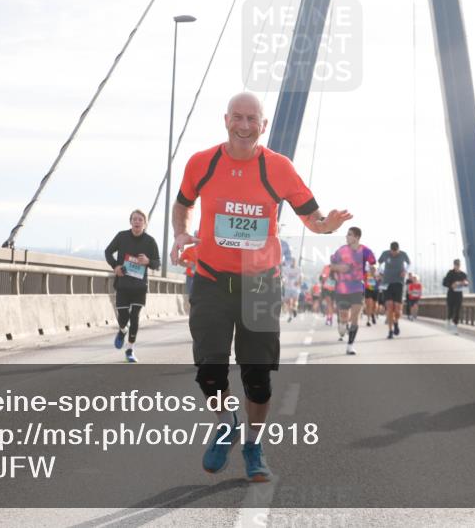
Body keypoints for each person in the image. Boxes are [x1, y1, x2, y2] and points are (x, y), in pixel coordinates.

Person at [171, 92, 350, 482]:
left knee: (257, 379)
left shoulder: (279, 168)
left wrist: (328, 224)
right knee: (209, 371)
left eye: (253, 118)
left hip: (260, 286)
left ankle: (253, 444)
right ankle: (226, 422)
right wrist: (181, 233)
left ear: (263, 125)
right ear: (226, 119)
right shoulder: (201, 163)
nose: (245, 125)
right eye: (238, 117)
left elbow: (311, 215)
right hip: (211, 280)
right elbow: (182, 202)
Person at [104, 209, 161, 363]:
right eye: (134, 219)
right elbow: (108, 252)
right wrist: (115, 266)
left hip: (139, 287)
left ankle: (129, 350)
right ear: (131, 222)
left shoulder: (150, 241)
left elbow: (157, 263)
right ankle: (122, 330)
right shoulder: (122, 236)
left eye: (140, 219)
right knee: (123, 317)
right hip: (123, 284)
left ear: (145, 223)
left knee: (134, 318)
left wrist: (148, 261)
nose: (137, 222)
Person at [329, 227, 376, 355]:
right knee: (344, 317)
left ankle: (350, 345)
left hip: (357, 288)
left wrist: (373, 270)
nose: (346, 237)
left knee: (355, 317)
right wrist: (341, 267)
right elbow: (332, 265)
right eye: (347, 234)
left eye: (349, 235)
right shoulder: (341, 250)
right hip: (342, 289)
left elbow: (373, 263)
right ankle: (342, 324)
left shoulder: (365, 251)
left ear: (356, 237)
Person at [377, 242, 411, 339]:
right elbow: (379, 262)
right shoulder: (385, 253)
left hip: (398, 283)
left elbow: (409, 263)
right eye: (392, 252)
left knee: (397, 309)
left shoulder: (403, 254)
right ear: (390, 249)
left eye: (395, 252)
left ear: (398, 250)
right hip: (387, 283)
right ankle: (390, 330)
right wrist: (380, 271)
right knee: (389, 307)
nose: (394, 254)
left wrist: (405, 271)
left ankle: (396, 322)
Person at [442, 259, 470, 334]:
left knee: (457, 310)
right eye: (456, 264)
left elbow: (467, 283)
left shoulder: (463, 274)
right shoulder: (450, 273)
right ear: (454, 265)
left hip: (459, 294)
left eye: (458, 264)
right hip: (451, 294)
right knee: (451, 310)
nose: (457, 266)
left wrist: (465, 283)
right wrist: (451, 285)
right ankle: (448, 320)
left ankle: (455, 326)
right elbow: (444, 283)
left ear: (460, 265)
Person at [282, 258, 301, 322]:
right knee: (288, 303)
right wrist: (284, 282)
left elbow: (300, 277)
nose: (293, 263)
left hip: (295, 288)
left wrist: (299, 282)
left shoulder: (298, 269)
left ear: (296, 262)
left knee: (295, 301)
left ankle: (294, 309)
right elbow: (283, 277)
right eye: (292, 261)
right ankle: (290, 315)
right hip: (288, 288)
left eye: (294, 262)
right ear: (290, 262)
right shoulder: (286, 269)